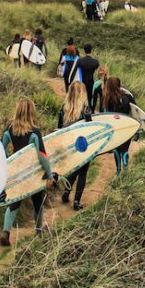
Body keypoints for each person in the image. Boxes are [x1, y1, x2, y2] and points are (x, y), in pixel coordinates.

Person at [0, 99, 53, 245]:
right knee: (38, 202)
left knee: (14, 202)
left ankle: (6, 232)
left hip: (17, 171)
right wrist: (49, 174)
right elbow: (42, 155)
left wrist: (9, 163)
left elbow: (0, 148)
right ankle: (38, 232)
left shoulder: (9, 130)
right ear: (31, 112)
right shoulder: (34, 132)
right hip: (33, 172)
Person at [59, 81, 92, 210]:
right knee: (82, 172)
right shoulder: (85, 109)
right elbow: (90, 127)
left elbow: (59, 127)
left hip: (69, 143)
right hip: (82, 144)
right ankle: (77, 202)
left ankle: (66, 193)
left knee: (74, 170)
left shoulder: (63, 108)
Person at [103, 76, 136, 173]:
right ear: (119, 85)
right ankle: (125, 170)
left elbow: (106, 115)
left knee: (117, 148)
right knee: (125, 149)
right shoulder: (128, 97)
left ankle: (118, 170)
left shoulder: (107, 99)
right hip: (127, 126)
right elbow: (135, 111)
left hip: (115, 128)